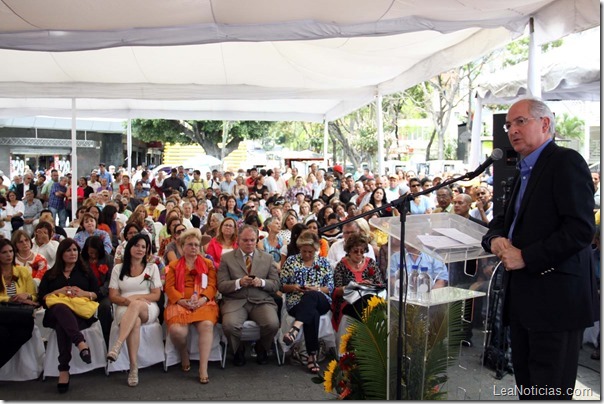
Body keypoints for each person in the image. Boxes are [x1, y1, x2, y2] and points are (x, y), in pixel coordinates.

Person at [481, 98, 597, 399]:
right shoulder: (523, 172)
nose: (512, 130)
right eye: (508, 125)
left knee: (550, 391)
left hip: (556, 303)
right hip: (524, 301)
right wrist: (494, 240)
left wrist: (526, 256)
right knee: (529, 389)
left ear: (545, 124)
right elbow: (502, 222)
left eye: (520, 121)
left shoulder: (566, 162)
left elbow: (581, 230)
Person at [37, 238, 100, 393]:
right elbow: (41, 298)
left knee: (62, 326)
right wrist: (59, 292)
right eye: (68, 250)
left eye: (75, 250)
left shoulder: (85, 272)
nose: (73, 253)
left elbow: (98, 293)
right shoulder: (51, 274)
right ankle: (81, 343)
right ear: (61, 253)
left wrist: (84, 293)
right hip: (55, 313)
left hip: (80, 314)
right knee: (60, 307)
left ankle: (63, 370)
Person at [217, 225, 280, 366]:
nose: (249, 243)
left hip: (261, 300)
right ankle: (238, 350)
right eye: (245, 240)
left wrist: (262, 282)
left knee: (272, 323)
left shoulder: (268, 258)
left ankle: (261, 348)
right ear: (238, 240)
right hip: (235, 301)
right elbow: (221, 286)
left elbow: (276, 285)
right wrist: (239, 282)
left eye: (252, 240)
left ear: (257, 239)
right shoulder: (226, 258)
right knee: (229, 325)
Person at [164, 228, 219, 384]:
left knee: (207, 325)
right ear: (182, 246)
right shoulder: (174, 265)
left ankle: (203, 368)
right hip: (180, 302)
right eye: (190, 245)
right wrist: (182, 301)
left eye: (196, 244)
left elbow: (213, 286)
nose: (194, 247)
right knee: (176, 331)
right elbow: (169, 288)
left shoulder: (208, 264)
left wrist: (202, 299)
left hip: (203, 302)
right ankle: (183, 352)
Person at [107, 234, 162, 387]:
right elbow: (113, 295)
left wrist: (136, 298)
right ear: (129, 247)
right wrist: (126, 301)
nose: (140, 249)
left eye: (143, 247)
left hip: (147, 306)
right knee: (135, 321)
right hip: (123, 306)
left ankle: (117, 345)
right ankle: (133, 368)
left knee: (136, 305)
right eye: (136, 245)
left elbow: (156, 295)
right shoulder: (118, 268)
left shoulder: (152, 268)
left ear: (147, 250)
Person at [280, 230, 334, 374]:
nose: (307, 255)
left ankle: (295, 329)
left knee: (312, 295)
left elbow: (329, 288)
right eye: (304, 251)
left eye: (310, 251)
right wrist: (294, 287)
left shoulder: (323, 262)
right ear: (299, 249)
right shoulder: (291, 261)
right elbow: (282, 285)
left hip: (321, 299)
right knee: (312, 313)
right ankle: (312, 356)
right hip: (296, 302)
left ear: (316, 249)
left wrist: (315, 289)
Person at [0, 238, 39, 369]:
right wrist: (9, 299)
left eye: (11, 251)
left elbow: (34, 296)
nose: (9, 255)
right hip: (3, 312)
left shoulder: (23, 272)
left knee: (24, 332)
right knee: (2, 333)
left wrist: (26, 295)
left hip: (19, 313)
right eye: (4, 252)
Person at [332, 233, 384, 330]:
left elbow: (380, 285)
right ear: (349, 250)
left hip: (369, 299)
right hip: (348, 301)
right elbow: (336, 291)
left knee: (369, 303)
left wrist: (369, 285)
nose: (359, 254)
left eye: (362, 251)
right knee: (360, 305)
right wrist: (355, 286)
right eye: (356, 251)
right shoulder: (341, 265)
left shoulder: (371, 263)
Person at [81, 235, 115, 347]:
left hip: (103, 293)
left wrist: (99, 292)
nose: (93, 255)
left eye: (95, 253)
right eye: (90, 253)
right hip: (85, 293)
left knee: (104, 308)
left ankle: (107, 339)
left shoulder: (108, 259)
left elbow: (110, 280)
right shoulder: (81, 261)